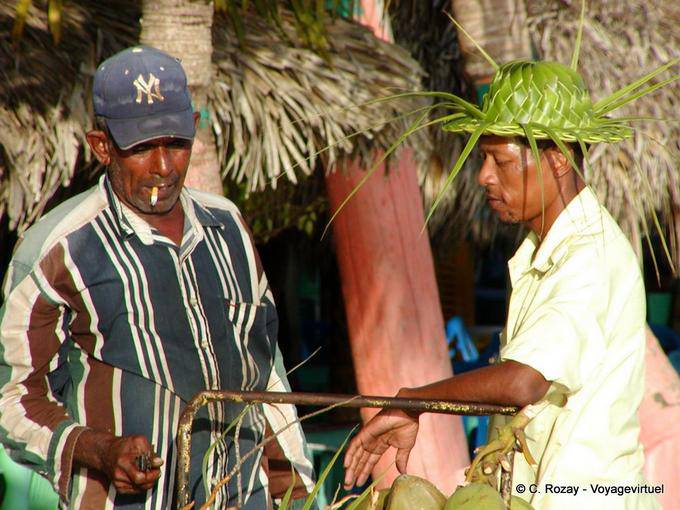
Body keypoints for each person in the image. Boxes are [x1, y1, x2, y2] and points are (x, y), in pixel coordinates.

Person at [0, 46, 314, 509]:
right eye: (142, 148)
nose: (164, 168)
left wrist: (294, 480)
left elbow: (265, 369)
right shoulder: (56, 251)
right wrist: (100, 450)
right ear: (101, 146)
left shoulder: (227, 227)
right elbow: (12, 399)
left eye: (177, 143)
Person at [342, 59, 665, 509]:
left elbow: (523, 382)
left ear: (556, 160)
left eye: (500, 160)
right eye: (482, 159)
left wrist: (413, 400)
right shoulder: (547, 250)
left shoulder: (590, 255)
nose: (483, 176)